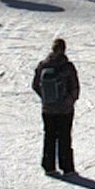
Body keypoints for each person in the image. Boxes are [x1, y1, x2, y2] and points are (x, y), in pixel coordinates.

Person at [32, 38, 80, 176]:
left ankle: (49, 166)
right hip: (65, 110)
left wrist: (46, 99)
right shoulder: (67, 67)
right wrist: (70, 101)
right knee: (64, 137)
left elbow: (35, 85)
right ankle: (67, 167)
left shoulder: (43, 65)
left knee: (49, 136)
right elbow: (75, 87)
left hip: (48, 109)